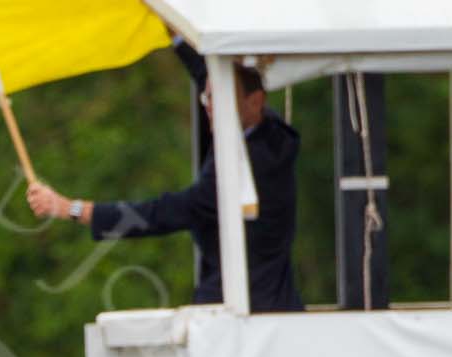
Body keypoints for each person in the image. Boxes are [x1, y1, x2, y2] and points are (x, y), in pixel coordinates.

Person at [24, 37, 301, 313]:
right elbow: (210, 77)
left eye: (216, 98)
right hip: (268, 305)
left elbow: (159, 214)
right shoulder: (269, 132)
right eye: (207, 96)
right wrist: (175, 32)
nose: (208, 106)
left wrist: (68, 208)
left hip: (247, 316)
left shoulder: (251, 166)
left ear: (256, 102)